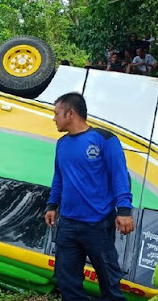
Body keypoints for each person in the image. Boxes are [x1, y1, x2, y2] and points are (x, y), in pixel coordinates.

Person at [45, 92, 135, 301]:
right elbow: (59, 177)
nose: (54, 118)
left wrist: (124, 210)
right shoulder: (61, 144)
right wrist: (52, 205)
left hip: (97, 225)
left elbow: (119, 175)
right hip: (67, 225)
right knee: (67, 281)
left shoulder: (105, 140)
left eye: (56, 113)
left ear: (71, 113)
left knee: (109, 283)